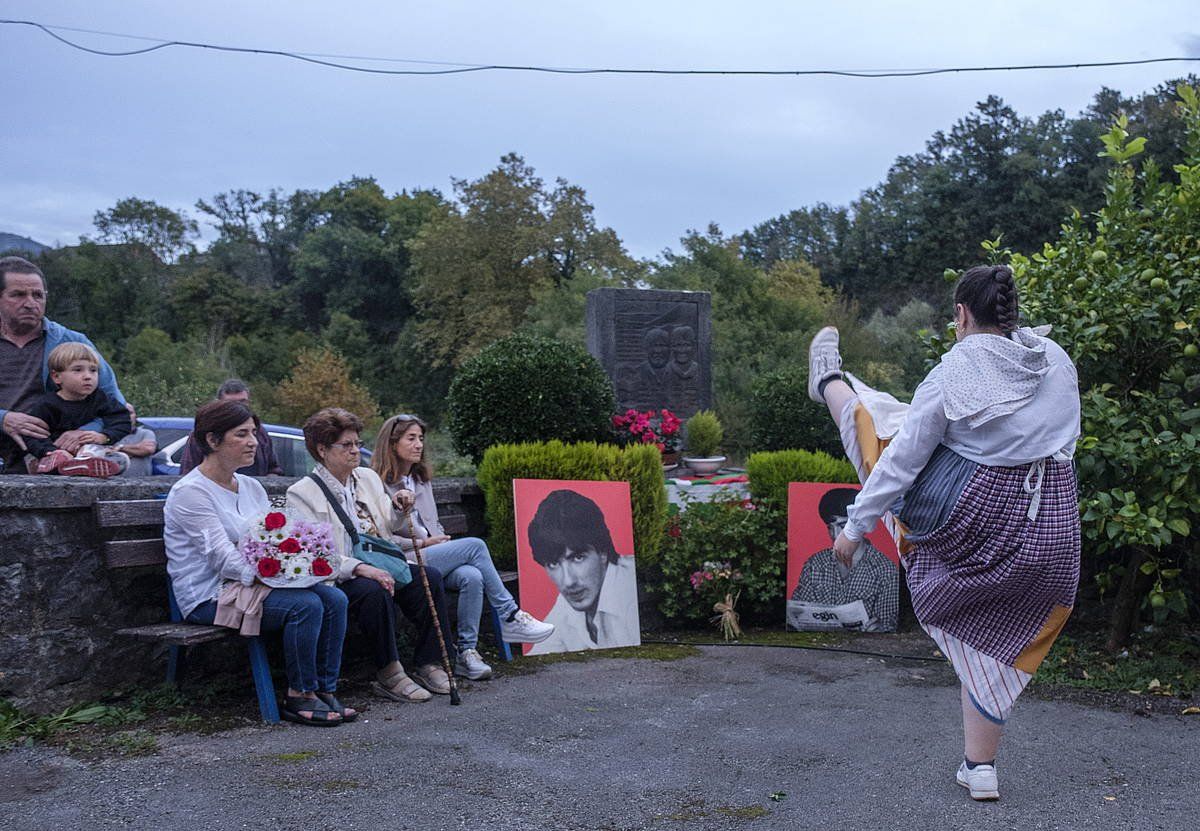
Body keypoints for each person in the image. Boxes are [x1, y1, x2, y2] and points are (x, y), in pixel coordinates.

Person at [807, 264, 1081, 801]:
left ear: (960, 313)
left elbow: (904, 463)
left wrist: (855, 529)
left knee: (877, 437)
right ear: (1011, 311)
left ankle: (828, 382)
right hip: (1051, 533)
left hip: (974, 524)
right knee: (991, 641)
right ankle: (981, 768)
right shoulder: (1056, 359)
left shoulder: (955, 370)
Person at [164, 399, 350, 726]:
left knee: (334, 598)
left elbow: (274, 541)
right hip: (209, 595)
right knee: (304, 605)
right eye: (242, 434)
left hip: (255, 584)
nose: (254, 442)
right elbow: (222, 559)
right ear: (212, 440)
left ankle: (324, 689)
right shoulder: (190, 493)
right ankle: (299, 695)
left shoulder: (250, 486)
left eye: (254, 433)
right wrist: (281, 578)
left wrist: (301, 566)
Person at [286, 407, 457, 701]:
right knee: (372, 590)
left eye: (357, 443)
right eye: (347, 445)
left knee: (428, 576)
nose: (355, 451)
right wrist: (359, 568)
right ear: (322, 449)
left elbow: (390, 526)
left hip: (382, 561)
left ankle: (429, 662)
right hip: (341, 574)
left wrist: (401, 506)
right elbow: (314, 554)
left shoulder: (366, 477)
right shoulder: (301, 493)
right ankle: (389, 671)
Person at [371, 414, 555, 680]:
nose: (419, 444)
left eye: (421, 438)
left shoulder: (421, 480)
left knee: (473, 575)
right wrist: (424, 542)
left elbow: (433, 524)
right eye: (411, 438)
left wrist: (441, 541)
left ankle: (466, 655)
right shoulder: (377, 483)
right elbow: (380, 535)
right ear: (391, 443)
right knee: (476, 546)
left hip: (432, 555)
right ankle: (510, 614)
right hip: (403, 558)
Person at [0, 256, 128, 471]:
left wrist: (84, 433)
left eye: (38, 295)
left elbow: (113, 403)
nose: (31, 303)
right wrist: (3, 419)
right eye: (18, 295)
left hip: (54, 452)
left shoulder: (72, 342)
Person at [525, 488, 640, 655]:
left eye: (578, 557)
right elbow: (538, 655)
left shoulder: (628, 596)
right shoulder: (567, 603)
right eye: (553, 563)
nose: (568, 581)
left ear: (603, 552)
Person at [788, 487, 899, 632]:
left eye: (842, 526)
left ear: (860, 526)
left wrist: (880, 628)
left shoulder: (886, 571)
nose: (835, 534)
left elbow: (888, 621)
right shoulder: (815, 564)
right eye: (830, 527)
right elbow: (797, 612)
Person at [20, 343, 133, 478]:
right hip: (54, 452)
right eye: (78, 370)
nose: (88, 376)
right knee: (33, 458)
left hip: (89, 449)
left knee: (122, 460)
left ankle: (83, 462)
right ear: (56, 377)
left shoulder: (100, 398)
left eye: (93, 370)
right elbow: (33, 435)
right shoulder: (47, 404)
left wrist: (104, 436)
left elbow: (122, 420)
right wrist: (50, 451)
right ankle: (66, 464)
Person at [179, 379, 282, 476]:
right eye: (241, 434)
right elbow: (188, 471)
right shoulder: (203, 433)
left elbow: (273, 469)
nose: (253, 442)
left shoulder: (259, 431)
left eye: (243, 402)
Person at [114, 407, 157, 477]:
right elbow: (107, 451)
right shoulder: (109, 435)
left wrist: (120, 447)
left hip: (143, 484)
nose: (127, 416)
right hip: (113, 484)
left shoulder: (146, 433)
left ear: (135, 416)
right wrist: (138, 448)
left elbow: (148, 449)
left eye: (130, 413)